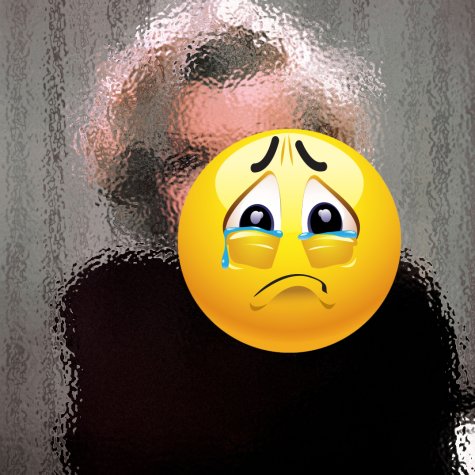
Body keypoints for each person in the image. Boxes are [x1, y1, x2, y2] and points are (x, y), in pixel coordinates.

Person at [63, 1, 467, 472]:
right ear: (147, 179)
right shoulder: (107, 315)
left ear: (322, 161)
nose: (230, 194)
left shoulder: (393, 311)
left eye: (261, 154)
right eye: (191, 162)